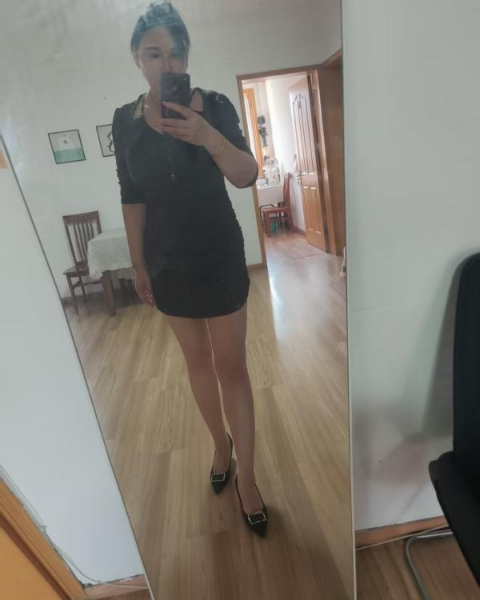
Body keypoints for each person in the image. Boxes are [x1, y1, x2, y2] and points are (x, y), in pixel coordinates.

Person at [112, 1, 268, 536]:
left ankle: (248, 477)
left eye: (177, 53)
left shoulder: (215, 106)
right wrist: (138, 262)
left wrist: (207, 136)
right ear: (137, 58)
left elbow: (247, 175)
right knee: (196, 362)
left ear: (187, 57)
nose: (168, 64)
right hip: (166, 261)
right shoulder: (124, 121)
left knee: (232, 366)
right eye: (154, 54)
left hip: (218, 252)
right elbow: (131, 195)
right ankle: (219, 446)